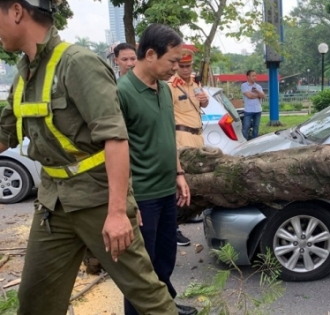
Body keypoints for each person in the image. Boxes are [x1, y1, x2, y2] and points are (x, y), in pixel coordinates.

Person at [0, 1, 178, 314]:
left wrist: (118, 212)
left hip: (98, 201)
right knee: (35, 300)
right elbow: (4, 135)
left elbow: (116, 138)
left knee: (148, 296)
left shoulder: (77, 63)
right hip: (53, 203)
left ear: (16, 12)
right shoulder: (25, 73)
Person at [117, 24, 197, 315]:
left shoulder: (164, 90)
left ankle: (166, 306)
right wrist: (127, 199)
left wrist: (178, 174)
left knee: (165, 257)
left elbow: (168, 135)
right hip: (142, 196)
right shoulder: (122, 93)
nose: (176, 68)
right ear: (150, 54)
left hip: (165, 189)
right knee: (142, 269)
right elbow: (115, 151)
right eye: (172, 61)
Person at [168, 48, 209, 246]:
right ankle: (173, 228)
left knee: (192, 182)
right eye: (182, 66)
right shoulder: (169, 85)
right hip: (180, 136)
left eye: (188, 66)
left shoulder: (195, 82)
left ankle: (187, 214)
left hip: (197, 136)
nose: (185, 70)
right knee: (179, 183)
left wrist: (205, 100)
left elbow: (204, 105)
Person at [241, 69, 265, 140]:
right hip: (249, 110)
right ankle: (244, 142)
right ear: (248, 77)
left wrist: (257, 91)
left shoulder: (258, 86)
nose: (255, 77)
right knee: (246, 127)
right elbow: (249, 96)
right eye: (253, 76)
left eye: (255, 76)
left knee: (256, 127)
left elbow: (263, 96)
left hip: (258, 110)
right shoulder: (244, 85)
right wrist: (258, 95)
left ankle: (254, 141)